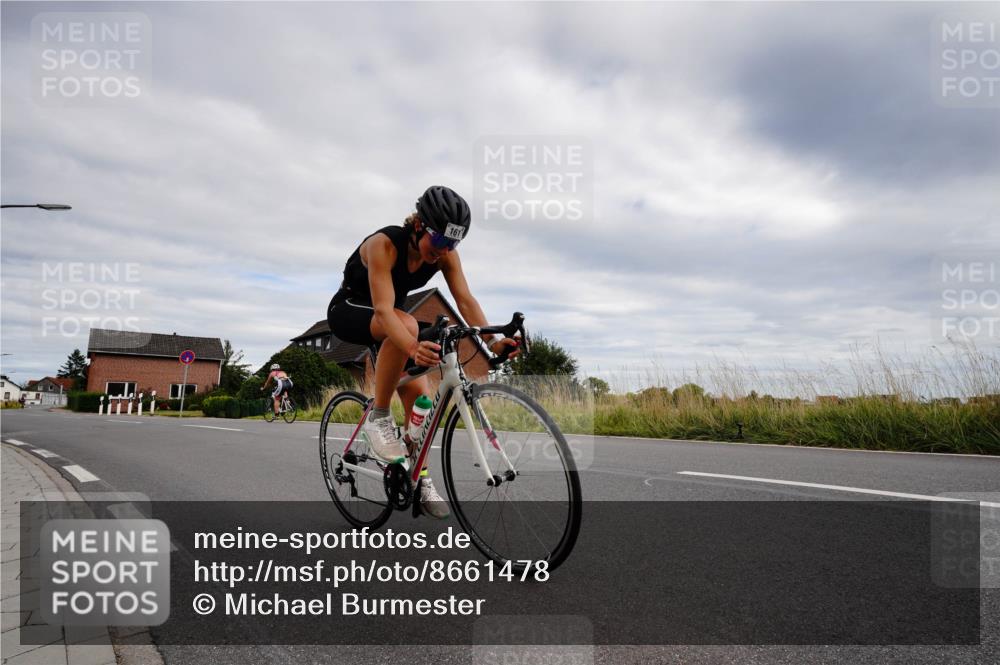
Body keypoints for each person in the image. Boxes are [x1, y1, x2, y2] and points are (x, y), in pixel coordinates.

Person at [327, 186, 520, 519]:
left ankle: (421, 477)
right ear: (418, 226)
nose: (444, 250)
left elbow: (465, 300)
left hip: (392, 321)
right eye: (441, 241)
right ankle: (379, 418)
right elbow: (385, 311)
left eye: (453, 244)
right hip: (351, 311)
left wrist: (491, 343)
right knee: (410, 327)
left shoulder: (444, 254)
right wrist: (413, 346)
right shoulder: (383, 245)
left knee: (422, 402)